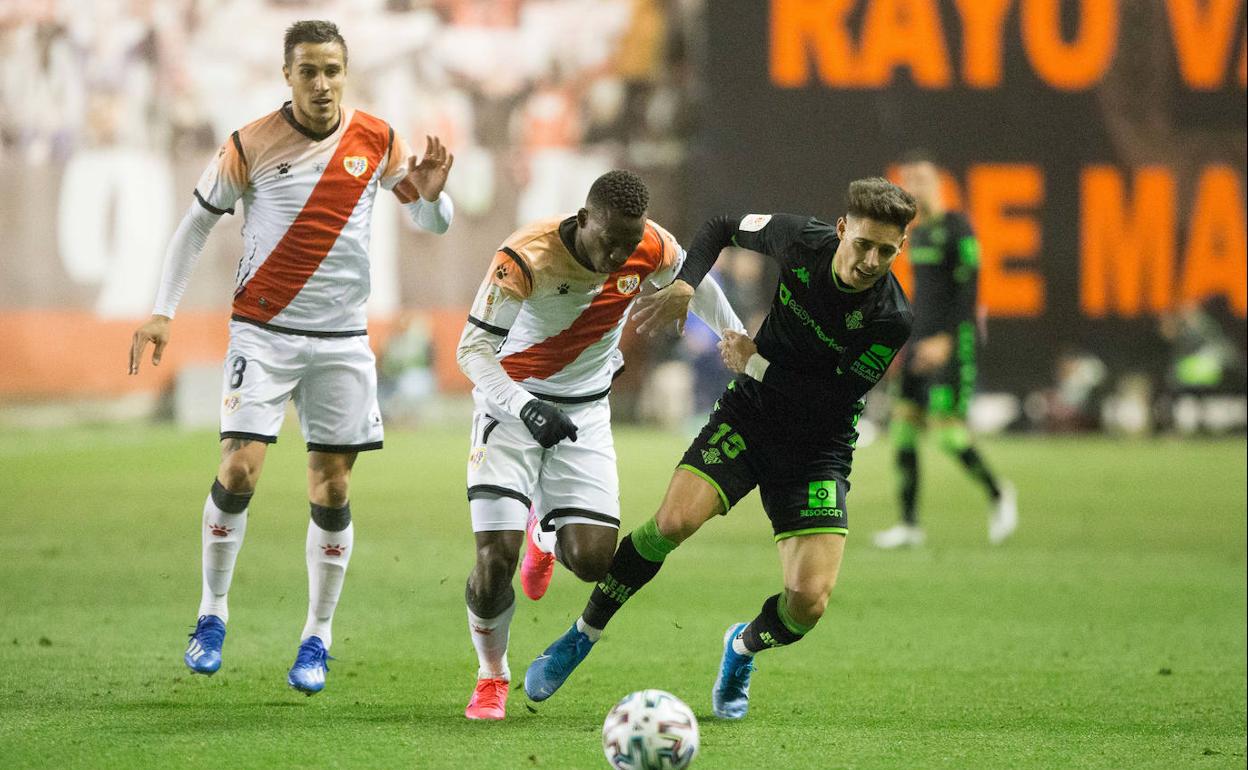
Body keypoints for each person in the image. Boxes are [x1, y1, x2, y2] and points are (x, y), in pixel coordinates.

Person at [127, 20, 455, 695]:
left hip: (340, 340)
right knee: (240, 467)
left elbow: (431, 222)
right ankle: (212, 614)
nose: (323, 83)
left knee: (332, 487)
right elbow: (195, 226)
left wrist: (431, 193)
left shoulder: (378, 139)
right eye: (308, 71)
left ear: (346, 71)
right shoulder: (250, 142)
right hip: (264, 333)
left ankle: (317, 635)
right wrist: (163, 310)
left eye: (333, 69)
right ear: (288, 76)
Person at [523, 177, 917, 720]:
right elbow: (720, 226)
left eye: (886, 252)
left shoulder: (891, 318)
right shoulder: (802, 238)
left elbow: (832, 399)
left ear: (901, 250)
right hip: (751, 415)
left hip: (817, 448)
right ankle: (582, 634)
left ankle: (741, 648)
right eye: (863, 244)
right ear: (843, 229)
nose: (870, 260)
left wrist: (753, 362)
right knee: (673, 523)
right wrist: (686, 284)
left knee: (808, 603)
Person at [455, 169, 744, 720]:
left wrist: (732, 335)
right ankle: (491, 675)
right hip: (510, 409)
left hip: (584, 412)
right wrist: (524, 406)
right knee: (494, 563)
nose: (619, 255)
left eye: (629, 244)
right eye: (609, 240)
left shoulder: (648, 242)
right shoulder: (524, 257)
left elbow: (694, 281)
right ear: (583, 218)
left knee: (592, 562)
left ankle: (545, 528)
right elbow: (472, 352)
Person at [872, 152, 1016, 549]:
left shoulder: (959, 229)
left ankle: (998, 494)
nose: (914, 187)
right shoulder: (916, 233)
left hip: (954, 341)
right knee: (903, 429)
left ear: (938, 183)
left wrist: (947, 340)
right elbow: (925, 297)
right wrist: (908, 340)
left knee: (948, 434)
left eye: (921, 179)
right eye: (908, 180)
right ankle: (908, 524)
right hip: (920, 340)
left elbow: (968, 294)